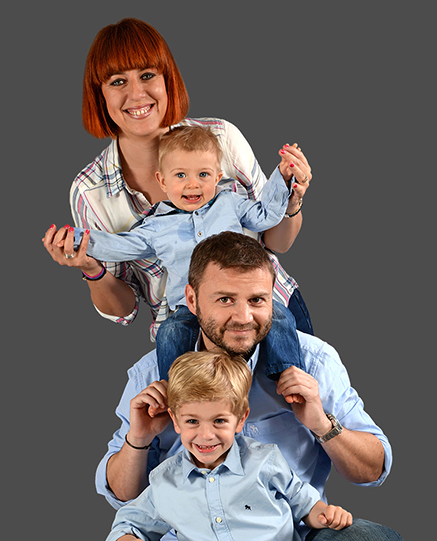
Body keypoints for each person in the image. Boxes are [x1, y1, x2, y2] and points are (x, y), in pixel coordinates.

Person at [83, 232, 414, 541]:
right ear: (191, 299)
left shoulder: (312, 362)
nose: (243, 317)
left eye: (257, 300)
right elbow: (125, 500)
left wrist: (321, 423)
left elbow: (372, 469)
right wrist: (139, 439)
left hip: (290, 539)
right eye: (225, 299)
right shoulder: (153, 376)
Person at [39, 18, 312, 342]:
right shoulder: (90, 192)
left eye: (147, 75)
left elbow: (274, 241)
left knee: (298, 389)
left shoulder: (222, 139)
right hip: (191, 340)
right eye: (117, 81)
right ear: (99, 95)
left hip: (270, 313)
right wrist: (89, 266)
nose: (136, 94)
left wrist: (290, 199)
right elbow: (124, 309)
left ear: (167, 79)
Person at [101, 350, 353, 541]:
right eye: (192, 422)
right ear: (175, 421)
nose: (206, 435)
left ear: (240, 419)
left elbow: (307, 505)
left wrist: (327, 515)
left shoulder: (265, 460)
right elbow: (124, 529)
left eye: (219, 421)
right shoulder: (166, 481)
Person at [62, 125, 305, 380]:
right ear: (162, 181)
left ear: (217, 177)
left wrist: (282, 177)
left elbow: (265, 215)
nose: (193, 184)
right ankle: (174, 392)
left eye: (203, 174)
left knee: (279, 315)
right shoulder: (156, 226)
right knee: (169, 332)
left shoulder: (230, 203)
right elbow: (120, 245)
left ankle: (288, 375)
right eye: (180, 175)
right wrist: (77, 241)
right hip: (188, 307)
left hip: (240, 298)